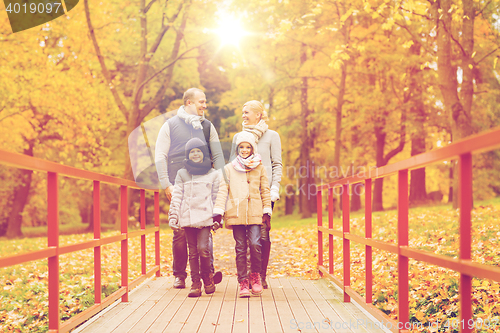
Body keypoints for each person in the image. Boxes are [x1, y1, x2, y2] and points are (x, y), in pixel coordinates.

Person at [155, 88, 224, 289]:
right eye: (201, 101)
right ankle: (180, 274)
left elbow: (218, 155)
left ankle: (207, 273)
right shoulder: (169, 126)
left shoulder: (207, 126)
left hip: (205, 184)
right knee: (180, 231)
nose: (205, 105)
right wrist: (166, 184)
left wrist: (221, 182)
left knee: (205, 226)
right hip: (180, 184)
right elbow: (160, 156)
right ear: (189, 103)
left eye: (205, 102)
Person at [230, 100, 282, 289]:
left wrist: (275, 187)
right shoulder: (239, 137)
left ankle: (260, 274)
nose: (243, 115)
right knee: (244, 238)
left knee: (262, 235)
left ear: (258, 114)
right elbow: (232, 165)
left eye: (247, 112)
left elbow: (277, 164)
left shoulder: (272, 136)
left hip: (264, 193)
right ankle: (246, 277)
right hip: (243, 194)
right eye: (242, 112)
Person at [213, 132, 272, 297]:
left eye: (248, 147)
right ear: (237, 149)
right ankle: (243, 282)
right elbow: (222, 191)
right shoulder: (229, 169)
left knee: (255, 243)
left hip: (255, 212)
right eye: (241, 147)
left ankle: (255, 276)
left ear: (253, 148)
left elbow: (265, 191)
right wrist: (218, 212)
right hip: (236, 213)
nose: (244, 150)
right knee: (240, 248)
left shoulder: (259, 168)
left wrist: (267, 211)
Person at [168, 138, 221, 297]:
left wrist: (218, 217)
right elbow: (177, 195)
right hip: (188, 217)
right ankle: (196, 283)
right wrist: (174, 216)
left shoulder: (213, 174)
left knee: (203, 250)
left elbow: (216, 196)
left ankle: (207, 277)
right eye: (192, 151)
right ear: (188, 155)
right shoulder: (182, 173)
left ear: (204, 153)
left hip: (205, 218)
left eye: (198, 151)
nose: (195, 154)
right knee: (192, 252)